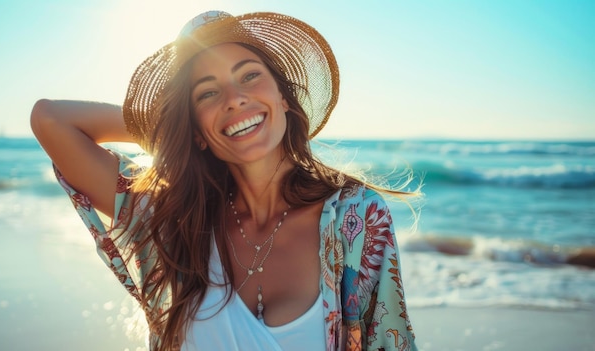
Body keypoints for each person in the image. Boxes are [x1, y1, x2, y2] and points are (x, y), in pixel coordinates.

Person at [31, 10, 420, 351]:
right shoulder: (172, 221)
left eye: (249, 75)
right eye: (208, 93)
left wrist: (207, 122)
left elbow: (390, 340)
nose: (234, 99)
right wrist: (178, 129)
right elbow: (51, 120)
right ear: (195, 129)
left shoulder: (355, 220)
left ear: (285, 97)